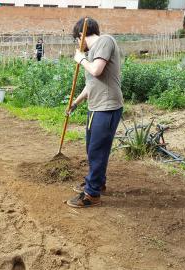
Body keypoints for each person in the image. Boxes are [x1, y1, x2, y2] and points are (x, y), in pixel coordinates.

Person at [65, 17, 124, 208]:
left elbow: (97, 71)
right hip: (95, 106)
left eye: (77, 39)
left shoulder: (105, 41)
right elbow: (91, 84)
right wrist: (75, 102)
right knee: (93, 149)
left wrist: (81, 58)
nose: (78, 43)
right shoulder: (92, 54)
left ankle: (92, 194)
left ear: (81, 35)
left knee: (97, 150)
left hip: (107, 106)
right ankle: (98, 182)